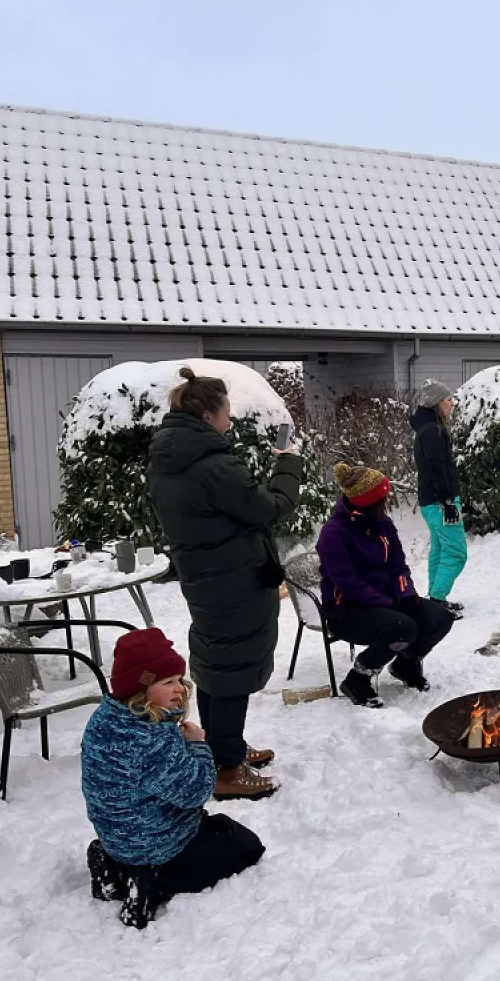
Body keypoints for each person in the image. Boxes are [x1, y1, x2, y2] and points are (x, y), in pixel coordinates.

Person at [147, 366, 303, 801]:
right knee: (233, 667)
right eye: (226, 413)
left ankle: (220, 747)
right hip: (236, 580)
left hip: (203, 578)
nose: (230, 421)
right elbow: (271, 507)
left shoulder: (167, 462)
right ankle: (227, 770)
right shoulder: (212, 465)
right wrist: (288, 463)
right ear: (208, 416)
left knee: (216, 661)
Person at [81, 628, 265, 929]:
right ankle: (151, 880)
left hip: (117, 835)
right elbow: (197, 792)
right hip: (158, 843)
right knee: (244, 844)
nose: (179, 688)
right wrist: (198, 746)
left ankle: (115, 863)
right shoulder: (150, 739)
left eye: (179, 679)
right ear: (140, 688)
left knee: (214, 826)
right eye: (167, 682)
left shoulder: (107, 718)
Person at [317, 463, 455, 708]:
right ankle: (357, 680)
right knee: (402, 627)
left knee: (440, 618)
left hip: (386, 601)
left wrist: (405, 593)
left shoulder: (383, 525)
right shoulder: (333, 534)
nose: (386, 505)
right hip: (347, 611)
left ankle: (405, 664)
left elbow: (398, 566)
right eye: (381, 501)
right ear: (366, 503)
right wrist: (388, 604)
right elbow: (349, 584)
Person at [411, 379, 467, 618]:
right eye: (448, 399)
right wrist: (448, 502)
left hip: (430, 502)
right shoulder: (433, 431)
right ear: (436, 403)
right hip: (440, 503)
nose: (452, 404)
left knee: (440, 549)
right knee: (456, 553)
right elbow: (437, 467)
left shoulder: (426, 429)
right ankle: (436, 599)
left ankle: (436, 598)